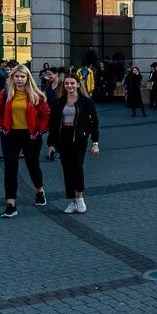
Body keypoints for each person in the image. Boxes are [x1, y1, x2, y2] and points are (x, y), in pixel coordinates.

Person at [0, 65, 52, 217]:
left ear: (27, 78)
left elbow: (46, 113)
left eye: (22, 76)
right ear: (12, 78)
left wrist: (41, 130)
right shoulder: (5, 93)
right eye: (16, 76)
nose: (19, 79)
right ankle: (10, 205)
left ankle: (39, 191)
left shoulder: (35, 95)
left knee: (32, 166)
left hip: (30, 135)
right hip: (10, 135)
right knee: (10, 169)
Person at [50, 74, 100, 213]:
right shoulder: (59, 102)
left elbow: (94, 123)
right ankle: (70, 201)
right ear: (64, 85)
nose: (69, 86)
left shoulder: (86, 102)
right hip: (63, 137)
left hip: (79, 138)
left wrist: (94, 142)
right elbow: (53, 124)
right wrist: (51, 144)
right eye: (67, 83)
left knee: (77, 167)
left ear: (78, 84)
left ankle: (79, 197)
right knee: (66, 170)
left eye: (72, 83)